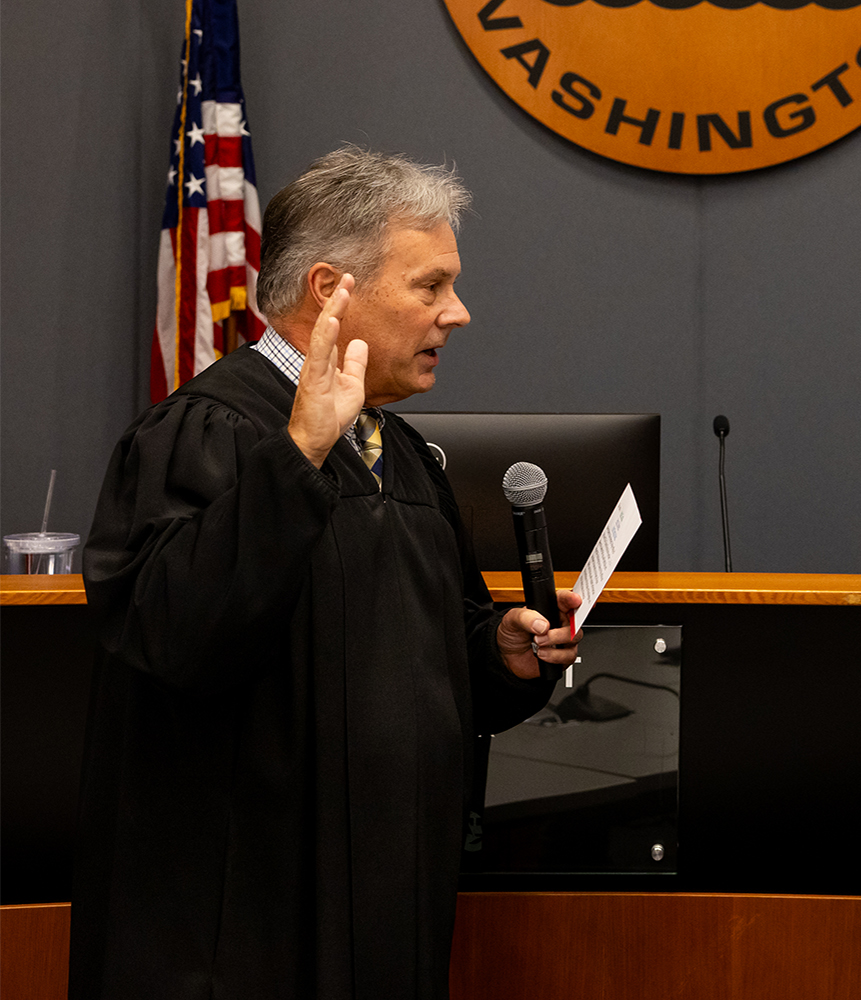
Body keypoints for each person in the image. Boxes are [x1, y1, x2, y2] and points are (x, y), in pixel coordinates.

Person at [72, 145, 576, 999]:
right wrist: (300, 455)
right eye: (430, 285)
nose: (458, 314)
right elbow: (168, 634)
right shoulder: (204, 433)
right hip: (242, 935)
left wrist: (502, 654)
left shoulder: (401, 454)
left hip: (389, 919)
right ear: (330, 290)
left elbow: (435, 644)